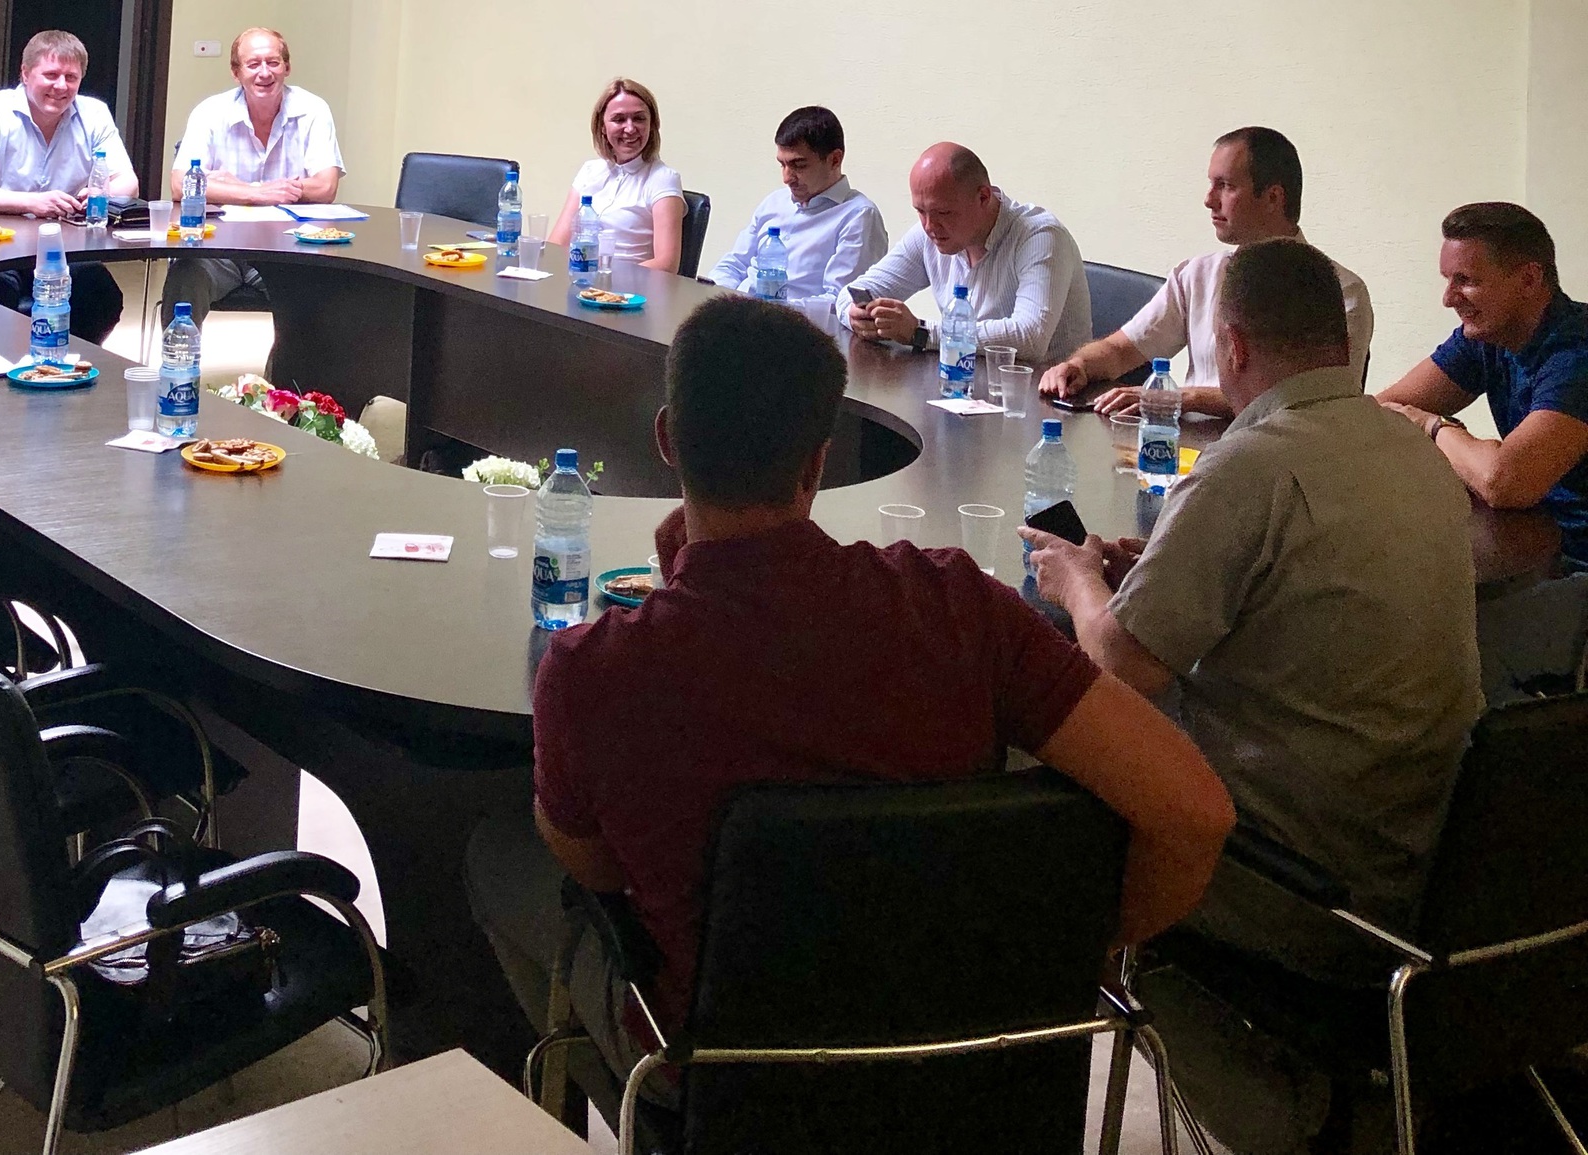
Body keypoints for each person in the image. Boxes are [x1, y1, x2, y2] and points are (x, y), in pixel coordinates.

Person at [467, 294, 1235, 1105]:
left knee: (496, 854)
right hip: (957, 1057)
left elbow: (596, 864)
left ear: (666, 440)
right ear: (818, 463)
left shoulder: (592, 671)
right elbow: (1195, 814)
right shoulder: (960, 609)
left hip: (731, 1076)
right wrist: (1050, 953)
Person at [1022, 238, 1481, 1154]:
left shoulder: (1248, 467)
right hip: (1429, 873)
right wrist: (1156, 571)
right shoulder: (1414, 450)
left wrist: (1078, 581)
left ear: (1230, 345)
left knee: (1055, 744)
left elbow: (1121, 663)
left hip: (1295, 888)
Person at [1041, 127, 1374, 417]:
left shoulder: (1341, 292)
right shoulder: (1197, 275)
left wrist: (1183, 398)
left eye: (1225, 185)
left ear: (1273, 198)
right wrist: (1079, 365)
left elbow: (1315, 402)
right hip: (1186, 450)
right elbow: (1121, 351)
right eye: (1211, 184)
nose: (1208, 200)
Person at [1377, 203, 1588, 570]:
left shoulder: (1576, 354)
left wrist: (1433, 426)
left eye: (1466, 281)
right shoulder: (1485, 337)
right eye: (1447, 280)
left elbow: (1505, 482)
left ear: (1528, 280)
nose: (1448, 299)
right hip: (1537, 549)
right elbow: (1377, 413)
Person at [0, 29, 137, 343]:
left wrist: (101, 192)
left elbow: (128, 182)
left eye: (71, 77)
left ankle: (66, 363)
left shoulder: (94, 114)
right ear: (25, 74)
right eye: (51, 75)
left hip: (64, 248)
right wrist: (32, 203)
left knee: (101, 296)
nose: (61, 86)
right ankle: (2, 363)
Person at [838, 143, 1090, 363]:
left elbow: (1030, 337)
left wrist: (921, 332)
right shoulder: (930, 233)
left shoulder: (1040, 236)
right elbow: (853, 292)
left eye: (944, 213)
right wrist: (854, 315)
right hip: (963, 382)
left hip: (1046, 393)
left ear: (983, 197)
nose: (929, 226)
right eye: (920, 211)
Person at [162, 26, 343, 324]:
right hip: (218, 248)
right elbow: (181, 185)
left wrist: (229, 188)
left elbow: (325, 187)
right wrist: (257, 193)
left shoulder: (313, 110)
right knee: (186, 274)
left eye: (273, 62)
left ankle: (291, 358)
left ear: (287, 67)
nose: (264, 73)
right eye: (253, 64)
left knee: (320, 291)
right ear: (236, 73)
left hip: (287, 248)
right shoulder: (210, 111)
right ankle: (180, 354)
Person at [707, 105, 886, 325]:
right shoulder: (775, 202)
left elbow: (840, 304)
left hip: (796, 331)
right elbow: (734, 263)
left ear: (834, 160)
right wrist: (715, 295)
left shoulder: (859, 216)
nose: (786, 178)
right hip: (741, 317)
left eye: (798, 165)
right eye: (782, 164)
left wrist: (765, 310)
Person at [543, 78, 684, 273]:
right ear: (602, 126)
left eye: (639, 118)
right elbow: (557, 245)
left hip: (630, 288)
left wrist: (605, 277)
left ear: (652, 124)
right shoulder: (589, 171)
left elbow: (666, 265)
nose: (630, 128)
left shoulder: (663, 178)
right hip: (579, 279)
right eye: (619, 119)